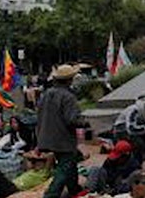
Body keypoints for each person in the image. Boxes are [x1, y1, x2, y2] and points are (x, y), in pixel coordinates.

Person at [37, 64, 85, 198]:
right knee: (65, 167)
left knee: (70, 163)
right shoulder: (68, 97)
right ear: (69, 79)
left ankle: (74, 189)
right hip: (63, 139)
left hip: (46, 137)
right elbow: (72, 120)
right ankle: (50, 195)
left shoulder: (46, 94)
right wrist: (85, 122)